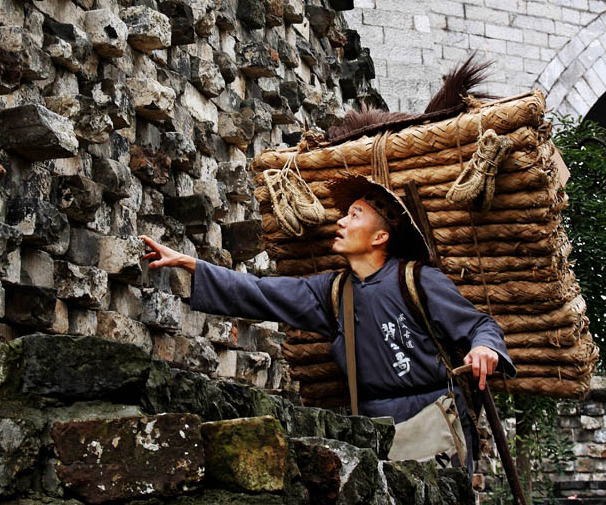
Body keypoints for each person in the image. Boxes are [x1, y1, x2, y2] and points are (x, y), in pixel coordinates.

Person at [141, 174, 514, 470]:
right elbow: (261, 292)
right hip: (372, 427)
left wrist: (484, 347)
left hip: (433, 418)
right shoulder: (333, 292)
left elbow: (481, 325)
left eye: (355, 215)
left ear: (380, 236)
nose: (341, 221)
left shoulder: (417, 280)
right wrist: (192, 264)